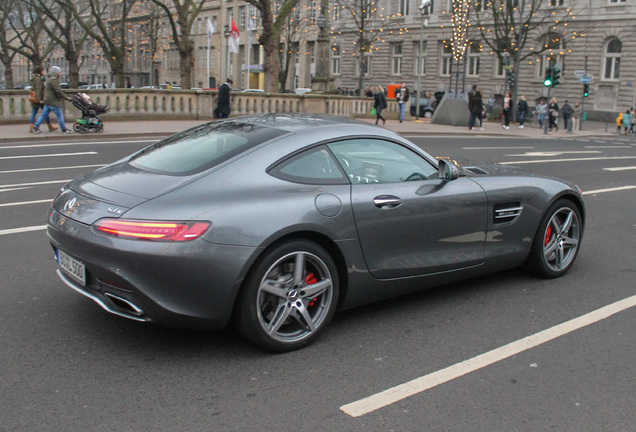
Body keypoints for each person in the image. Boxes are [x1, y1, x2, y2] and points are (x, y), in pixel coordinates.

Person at [32, 66, 72, 134]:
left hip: (47, 100)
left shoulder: (49, 78)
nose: (61, 73)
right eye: (60, 72)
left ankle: (36, 127)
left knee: (44, 114)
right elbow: (58, 91)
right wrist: (66, 97)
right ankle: (64, 129)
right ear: (56, 73)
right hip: (53, 101)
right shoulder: (54, 80)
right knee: (59, 115)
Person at [29, 65, 57, 133]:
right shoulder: (39, 79)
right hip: (39, 99)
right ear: (40, 71)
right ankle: (49, 126)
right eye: (43, 71)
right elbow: (38, 90)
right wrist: (39, 100)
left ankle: (31, 127)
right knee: (45, 112)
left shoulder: (34, 78)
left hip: (35, 98)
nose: (44, 72)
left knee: (34, 113)